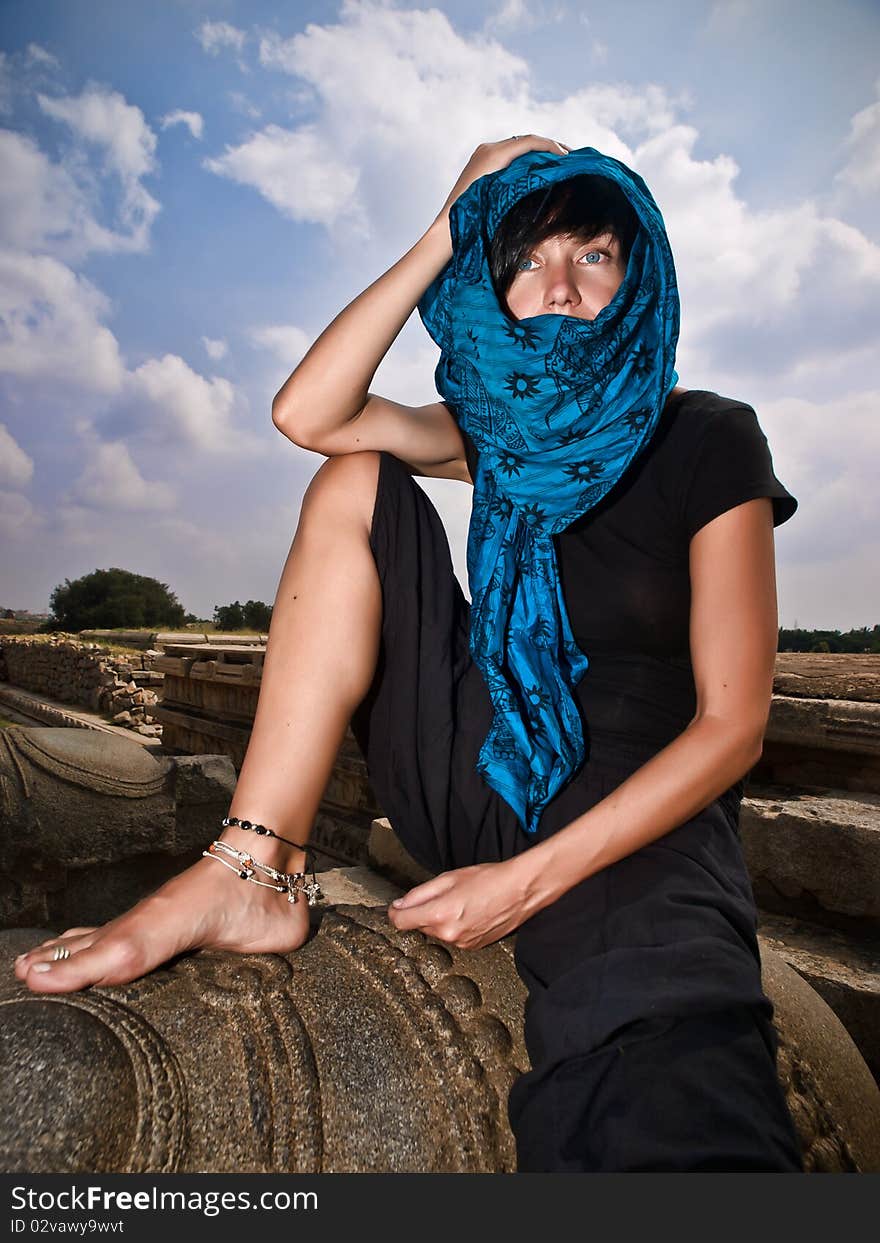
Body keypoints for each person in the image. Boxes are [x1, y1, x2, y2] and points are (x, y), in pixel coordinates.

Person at [13, 135, 804, 1173]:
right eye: (526, 261)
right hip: (484, 766)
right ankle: (251, 867)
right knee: (355, 479)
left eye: (594, 255)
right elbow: (310, 414)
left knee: (664, 1063)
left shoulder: (706, 436)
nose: (559, 286)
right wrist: (449, 223)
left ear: (640, 271)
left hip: (637, 802)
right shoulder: (496, 439)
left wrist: (524, 884)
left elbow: (731, 724)